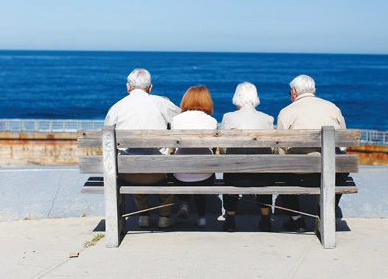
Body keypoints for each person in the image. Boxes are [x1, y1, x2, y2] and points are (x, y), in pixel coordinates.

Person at [104, 68, 181, 229]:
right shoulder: (161, 103)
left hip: (128, 174)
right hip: (158, 173)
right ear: (150, 88)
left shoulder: (116, 108)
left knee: (132, 157)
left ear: (128, 87)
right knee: (166, 161)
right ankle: (164, 217)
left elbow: (107, 140)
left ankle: (144, 216)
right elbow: (181, 120)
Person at [276, 74, 348, 232]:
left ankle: (296, 219)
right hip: (333, 173)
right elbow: (343, 144)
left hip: (302, 175)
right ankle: (325, 212)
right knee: (341, 166)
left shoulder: (286, 112)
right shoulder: (332, 108)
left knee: (280, 170)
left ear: (294, 92)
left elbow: (280, 150)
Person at [220, 82, 275, 232]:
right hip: (262, 177)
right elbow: (272, 149)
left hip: (235, 176)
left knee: (230, 169)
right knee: (265, 168)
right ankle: (265, 220)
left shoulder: (228, 117)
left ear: (237, 97)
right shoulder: (267, 119)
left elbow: (224, 147)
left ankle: (230, 219)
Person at [170, 85, 218, 228]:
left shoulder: (176, 120)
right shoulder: (212, 121)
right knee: (201, 171)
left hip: (180, 175)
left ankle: (184, 203)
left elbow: (172, 148)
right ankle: (202, 217)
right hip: (204, 175)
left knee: (182, 168)